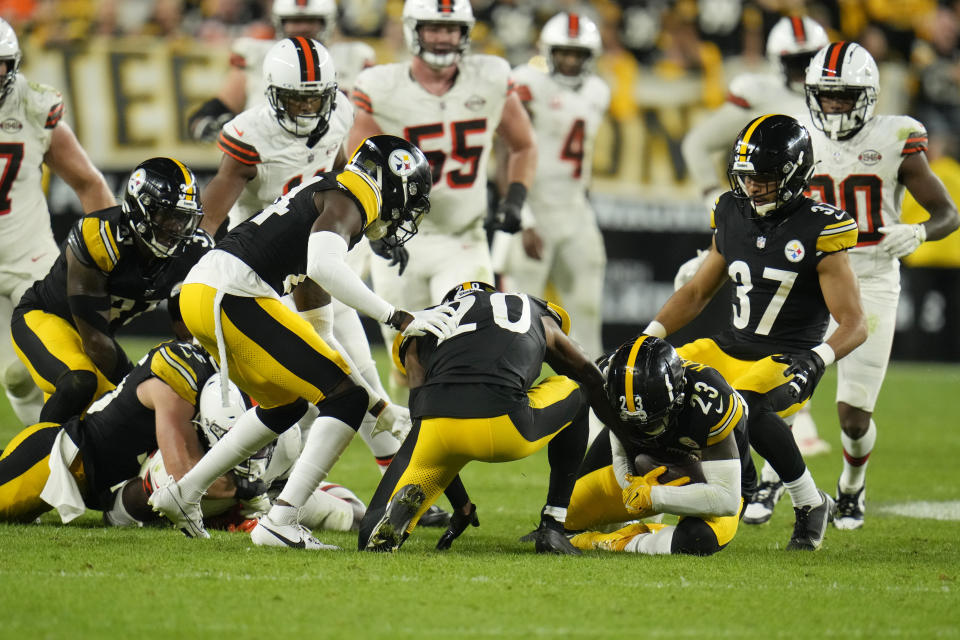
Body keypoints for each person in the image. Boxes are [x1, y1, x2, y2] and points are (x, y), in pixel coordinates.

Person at [148, 135, 458, 548]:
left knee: (288, 404)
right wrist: (398, 317)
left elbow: (321, 338)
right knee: (342, 401)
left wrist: (380, 406)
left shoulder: (329, 198)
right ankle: (282, 520)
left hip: (207, 293)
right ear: (389, 181)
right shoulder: (355, 196)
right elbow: (324, 267)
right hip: (233, 293)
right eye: (407, 198)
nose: (403, 214)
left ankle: (185, 492)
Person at [199, 36, 443, 522]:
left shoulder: (341, 115)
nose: (309, 108)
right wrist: (199, 255)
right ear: (271, 93)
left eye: (316, 97)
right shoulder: (249, 133)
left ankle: (395, 487)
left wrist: (370, 229)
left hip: (319, 267)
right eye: (297, 98)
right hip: (264, 276)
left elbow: (340, 179)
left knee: (361, 373)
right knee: (310, 398)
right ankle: (267, 491)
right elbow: (213, 212)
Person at [644, 114, 868, 550]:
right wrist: (650, 336)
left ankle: (807, 502)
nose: (752, 187)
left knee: (746, 408)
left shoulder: (821, 226)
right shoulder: (731, 211)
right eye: (746, 176)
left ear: (794, 174)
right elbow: (695, 293)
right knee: (646, 382)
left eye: (763, 178)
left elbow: (855, 323)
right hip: (730, 347)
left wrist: (817, 360)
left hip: (787, 355)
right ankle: (599, 501)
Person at [802, 42, 960, 530]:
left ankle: (852, 485)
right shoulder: (798, 135)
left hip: (870, 278)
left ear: (866, 96)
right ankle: (777, 486)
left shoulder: (895, 137)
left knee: (853, 415)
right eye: (824, 96)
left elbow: (947, 214)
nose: (832, 105)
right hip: (810, 281)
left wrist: (916, 231)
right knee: (782, 393)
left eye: (843, 96)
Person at [357, 281, 618, 555]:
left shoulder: (423, 326)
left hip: (438, 431)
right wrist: (623, 437)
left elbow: (419, 416)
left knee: (370, 532)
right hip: (506, 425)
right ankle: (553, 525)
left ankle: (382, 526)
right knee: (577, 390)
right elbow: (588, 372)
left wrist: (462, 505)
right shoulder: (525, 306)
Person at [347, 0, 537, 366]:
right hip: (402, 238)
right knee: (408, 362)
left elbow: (523, 145)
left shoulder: (491, 77)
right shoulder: (381, 86)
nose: (442, 38)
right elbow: (358, 165)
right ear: (412, 30)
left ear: (465, 33)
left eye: (450, 29)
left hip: (462, 239)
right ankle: (412, 424)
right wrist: (377, 228)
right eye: (432, 28)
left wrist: (515, 198)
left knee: (468, 348)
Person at [678, 15, 832, 457]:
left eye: (810, 61)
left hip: (807, 228)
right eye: (795, 61)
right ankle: (727, 409)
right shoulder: (759, 92)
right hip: (756, 224)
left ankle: (787, 419)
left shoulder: (836, 99)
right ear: (775, 61)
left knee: (805, 324)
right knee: (710, 292)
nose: (803, 70)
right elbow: (696, 143)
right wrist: (712, 195)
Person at [10, 157, 211, 426]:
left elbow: (189, 335)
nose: (176, 228)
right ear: (141, 210)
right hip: (46, 319)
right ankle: (36, 460)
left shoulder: (193, 252)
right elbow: (95, 343)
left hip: (97, 339)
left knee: (115, 427)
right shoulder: (100, 236)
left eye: (183, 218)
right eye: (168, 216)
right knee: (79, 383)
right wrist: (137, 386)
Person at [0, 340, 261, 526]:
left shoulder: (214, 379)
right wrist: (247, 490)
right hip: (56, 461)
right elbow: (182, 477)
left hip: (96, 484)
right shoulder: (183, 371)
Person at [0, 18, 116, 427]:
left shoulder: (32, 106)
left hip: (30, 257)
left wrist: (105, 254)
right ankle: (43, 457)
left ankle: (88, 454)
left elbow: (89, 182)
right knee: (16, 378)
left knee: (73, 363)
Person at [565, 336, 748, 556]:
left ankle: (612, 542)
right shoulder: (608, 382)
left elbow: (726, 499)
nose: (641, 431)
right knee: (566, 515)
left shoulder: (708, 402)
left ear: (678, 400)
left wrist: (654, 498)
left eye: (651, 422)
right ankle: (633, 526)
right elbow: (621, 441)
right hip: (648, 466)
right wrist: (631, 485)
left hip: (710, 480)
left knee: (697, 539)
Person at [499, 12, 609, 358]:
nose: (571, 61)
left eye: (578, 54)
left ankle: (594, 400)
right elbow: (505, 155)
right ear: (548, 51)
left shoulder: (598, 91)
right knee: (519, 319)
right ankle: (511, 393)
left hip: (575, 210)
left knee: (588, 313)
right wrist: (523, 217)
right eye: (564, 52)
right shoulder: (527, 83)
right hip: (534, 207)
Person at [131, 372, 366, 533]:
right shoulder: (175, 465)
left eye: (258, 436)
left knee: (351, 516)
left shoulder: (286, 439)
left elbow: (283, 490)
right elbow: (129, 508)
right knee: (136, 507)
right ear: (207, 427)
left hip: (269, 492)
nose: (252, 451)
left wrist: (259, 506)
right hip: (221, 494)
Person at [188, 0, 374, 143]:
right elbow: (224, 104)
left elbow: (375, 117)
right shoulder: (256, 55)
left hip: (332, 158)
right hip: (270, 160)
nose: (302, 28)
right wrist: (204, 120)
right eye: (294, 21)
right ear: (279, 23)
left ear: (327, 22)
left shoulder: (354, 57)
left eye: (310, 20)